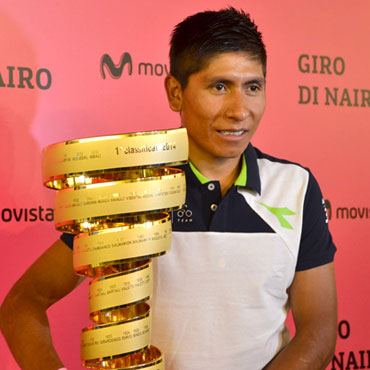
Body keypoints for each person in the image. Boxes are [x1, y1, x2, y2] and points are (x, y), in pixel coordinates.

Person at [0, 7, 337, 370]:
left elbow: (318, 329)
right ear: (176, 93)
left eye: (252, 87)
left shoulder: (296, 186)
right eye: (219, 87)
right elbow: (23, 304)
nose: (240, 110)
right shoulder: (126, 190)